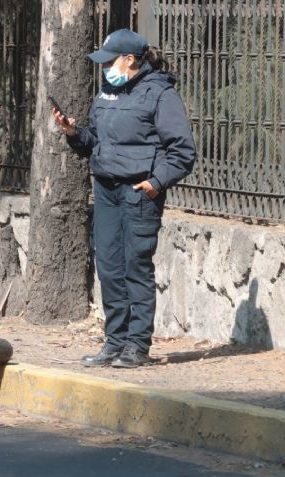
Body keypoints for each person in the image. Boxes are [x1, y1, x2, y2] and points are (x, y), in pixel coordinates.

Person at [53, 29, 196, 368]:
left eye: (109, 61)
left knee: (136, 267)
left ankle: (137, 346)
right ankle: (114, 343)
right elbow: (96, 141)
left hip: (138, 193)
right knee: (110, 268)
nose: (104, 68)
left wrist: (156, 183)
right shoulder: (108, 92)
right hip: (106, 190)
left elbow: (183, 151)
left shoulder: (161, 94)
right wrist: (74, 133)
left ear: (130, 60)